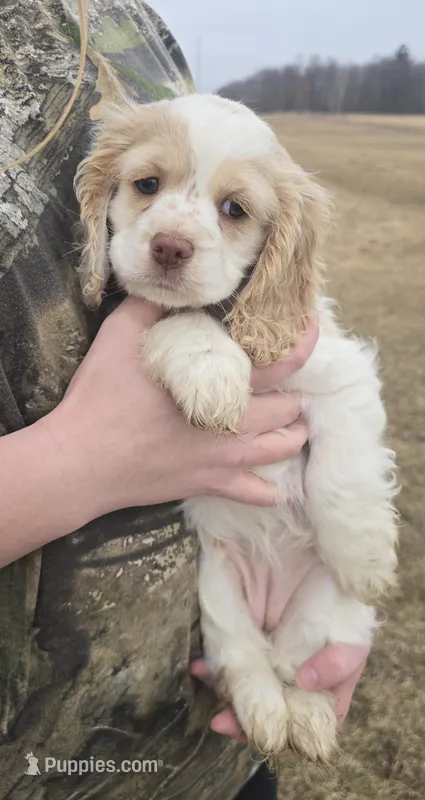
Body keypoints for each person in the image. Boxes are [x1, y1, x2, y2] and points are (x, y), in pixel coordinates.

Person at [0, 2, 368, 797]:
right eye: (149, 188)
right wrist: (70, 464)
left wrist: (332, 580)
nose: (177, 230)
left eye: (230, 211)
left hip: (205, 746)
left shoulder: (120, 17)